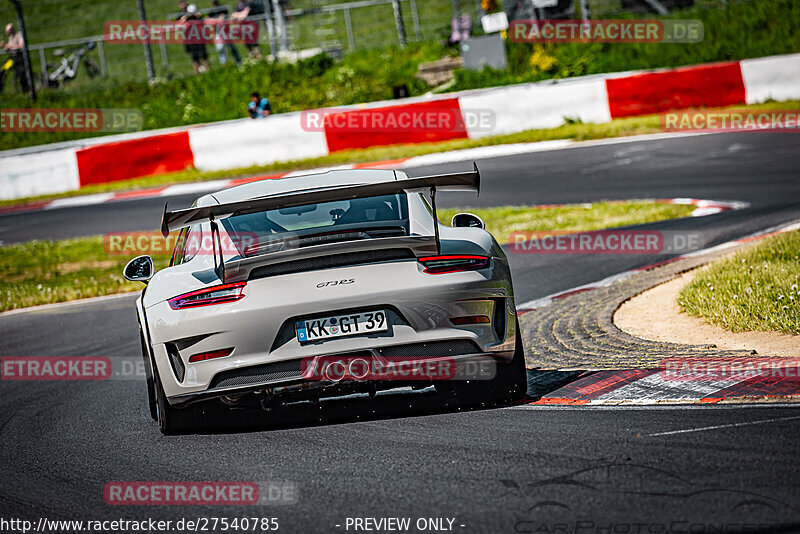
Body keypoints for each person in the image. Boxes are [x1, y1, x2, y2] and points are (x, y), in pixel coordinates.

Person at [207, 0, 242, 66]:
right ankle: (224, 64)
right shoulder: (211, 11)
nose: (214, 2)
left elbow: (226, 18)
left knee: (232, 47)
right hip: (217, 32)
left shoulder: (223, 8)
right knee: (220, 49)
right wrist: (218, 20)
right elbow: (209, 21)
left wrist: (219, 20)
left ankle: (239, 62)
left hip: (226, 31)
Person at [179, 4, 209, 74]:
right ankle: (197, 73)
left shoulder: (199, 18)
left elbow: (204, 25)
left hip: (200, 40)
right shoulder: (186, 19)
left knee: (204, 57)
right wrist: (185, 18)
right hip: (191, 41)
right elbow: (180, 25)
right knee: (195, 58)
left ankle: (208, 71)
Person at [1, 23, 28, 91]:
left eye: (8, 31)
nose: (7, 33)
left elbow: (21, 46)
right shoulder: (11, 37)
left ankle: (25, 88)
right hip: (12, 58)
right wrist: (4, 46)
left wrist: (10, 46)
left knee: (21, 73)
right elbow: (9, 47)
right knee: (3, 69)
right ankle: (1, 86)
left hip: (19, 57)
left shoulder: (19, 35)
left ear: (12, 30)